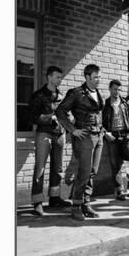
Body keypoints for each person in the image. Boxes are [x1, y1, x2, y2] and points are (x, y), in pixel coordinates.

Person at [56, 64, 105, 221]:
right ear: (87, 77)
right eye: (96, 77)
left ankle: (86, 203)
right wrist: (72, 129)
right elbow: (60, 111)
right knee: (84, 172)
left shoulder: (98, 92)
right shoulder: (76, 93)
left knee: (92, 171)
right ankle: (76, 205)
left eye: (99, 76)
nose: (99, 79)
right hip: (85, 137)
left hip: (98, 136)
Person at [28, 66, 71, 216]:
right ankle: (37, 203)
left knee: (58, 168)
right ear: (49, 77)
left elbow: (66, 114)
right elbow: (32, 117)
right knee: (40, 168)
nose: (60, 80)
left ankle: (54, 198)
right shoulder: (38, 95)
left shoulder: (61, 96)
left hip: (59, 135)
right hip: (44, 134)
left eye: (61, 77)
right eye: (57, 77)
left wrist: (69, 119)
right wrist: (49, 117)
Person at [102, 79, 129, 201]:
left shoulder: (126, 102)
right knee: (115, 164)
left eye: (119, 89)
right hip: (112, 137)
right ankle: (119, 191)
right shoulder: (105, 104)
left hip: (126, 136)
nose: (117, 92)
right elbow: (101, 121)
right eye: (115, 89)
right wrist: (106, 133)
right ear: (110, 89)